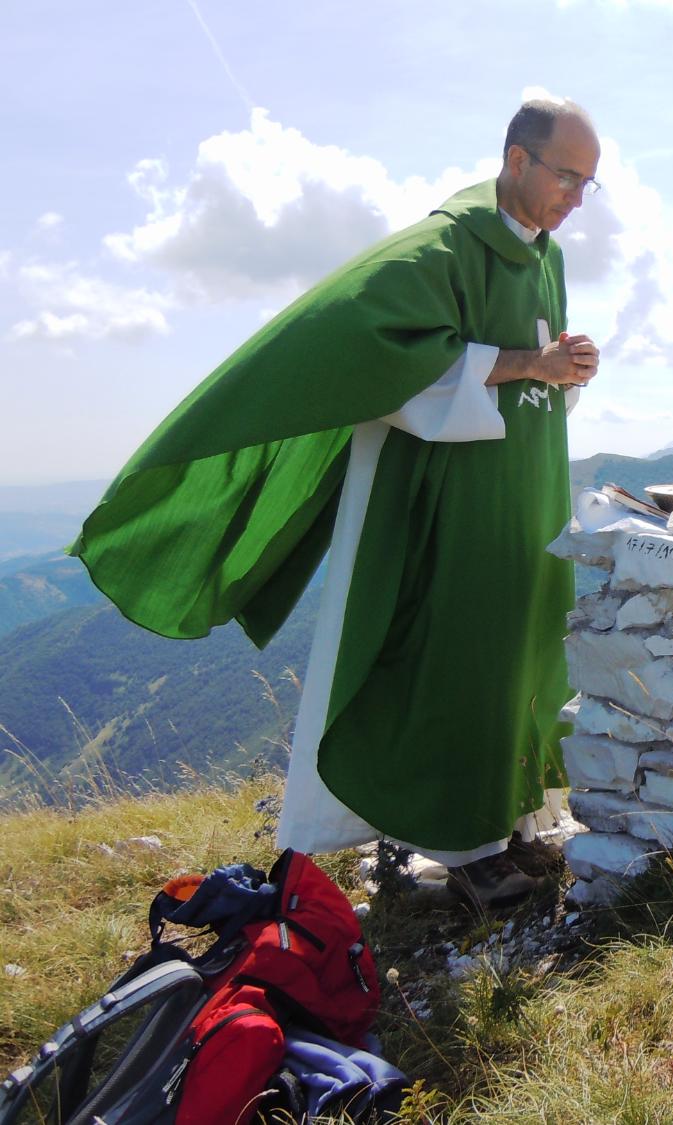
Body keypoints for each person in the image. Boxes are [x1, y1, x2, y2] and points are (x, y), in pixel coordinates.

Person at [71, 97, 602, 908]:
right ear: (517, 158)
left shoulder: (546, 257)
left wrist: (561, 367)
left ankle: (516, 817)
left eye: (587, 184)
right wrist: (529, 362)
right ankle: (466, 847)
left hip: (526, 489)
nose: (574, 197)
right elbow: (380, 350)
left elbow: (530, 367)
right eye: (567, 176)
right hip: (447, 499)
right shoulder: (442, 244)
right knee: (457, 653)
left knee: (519, 648)